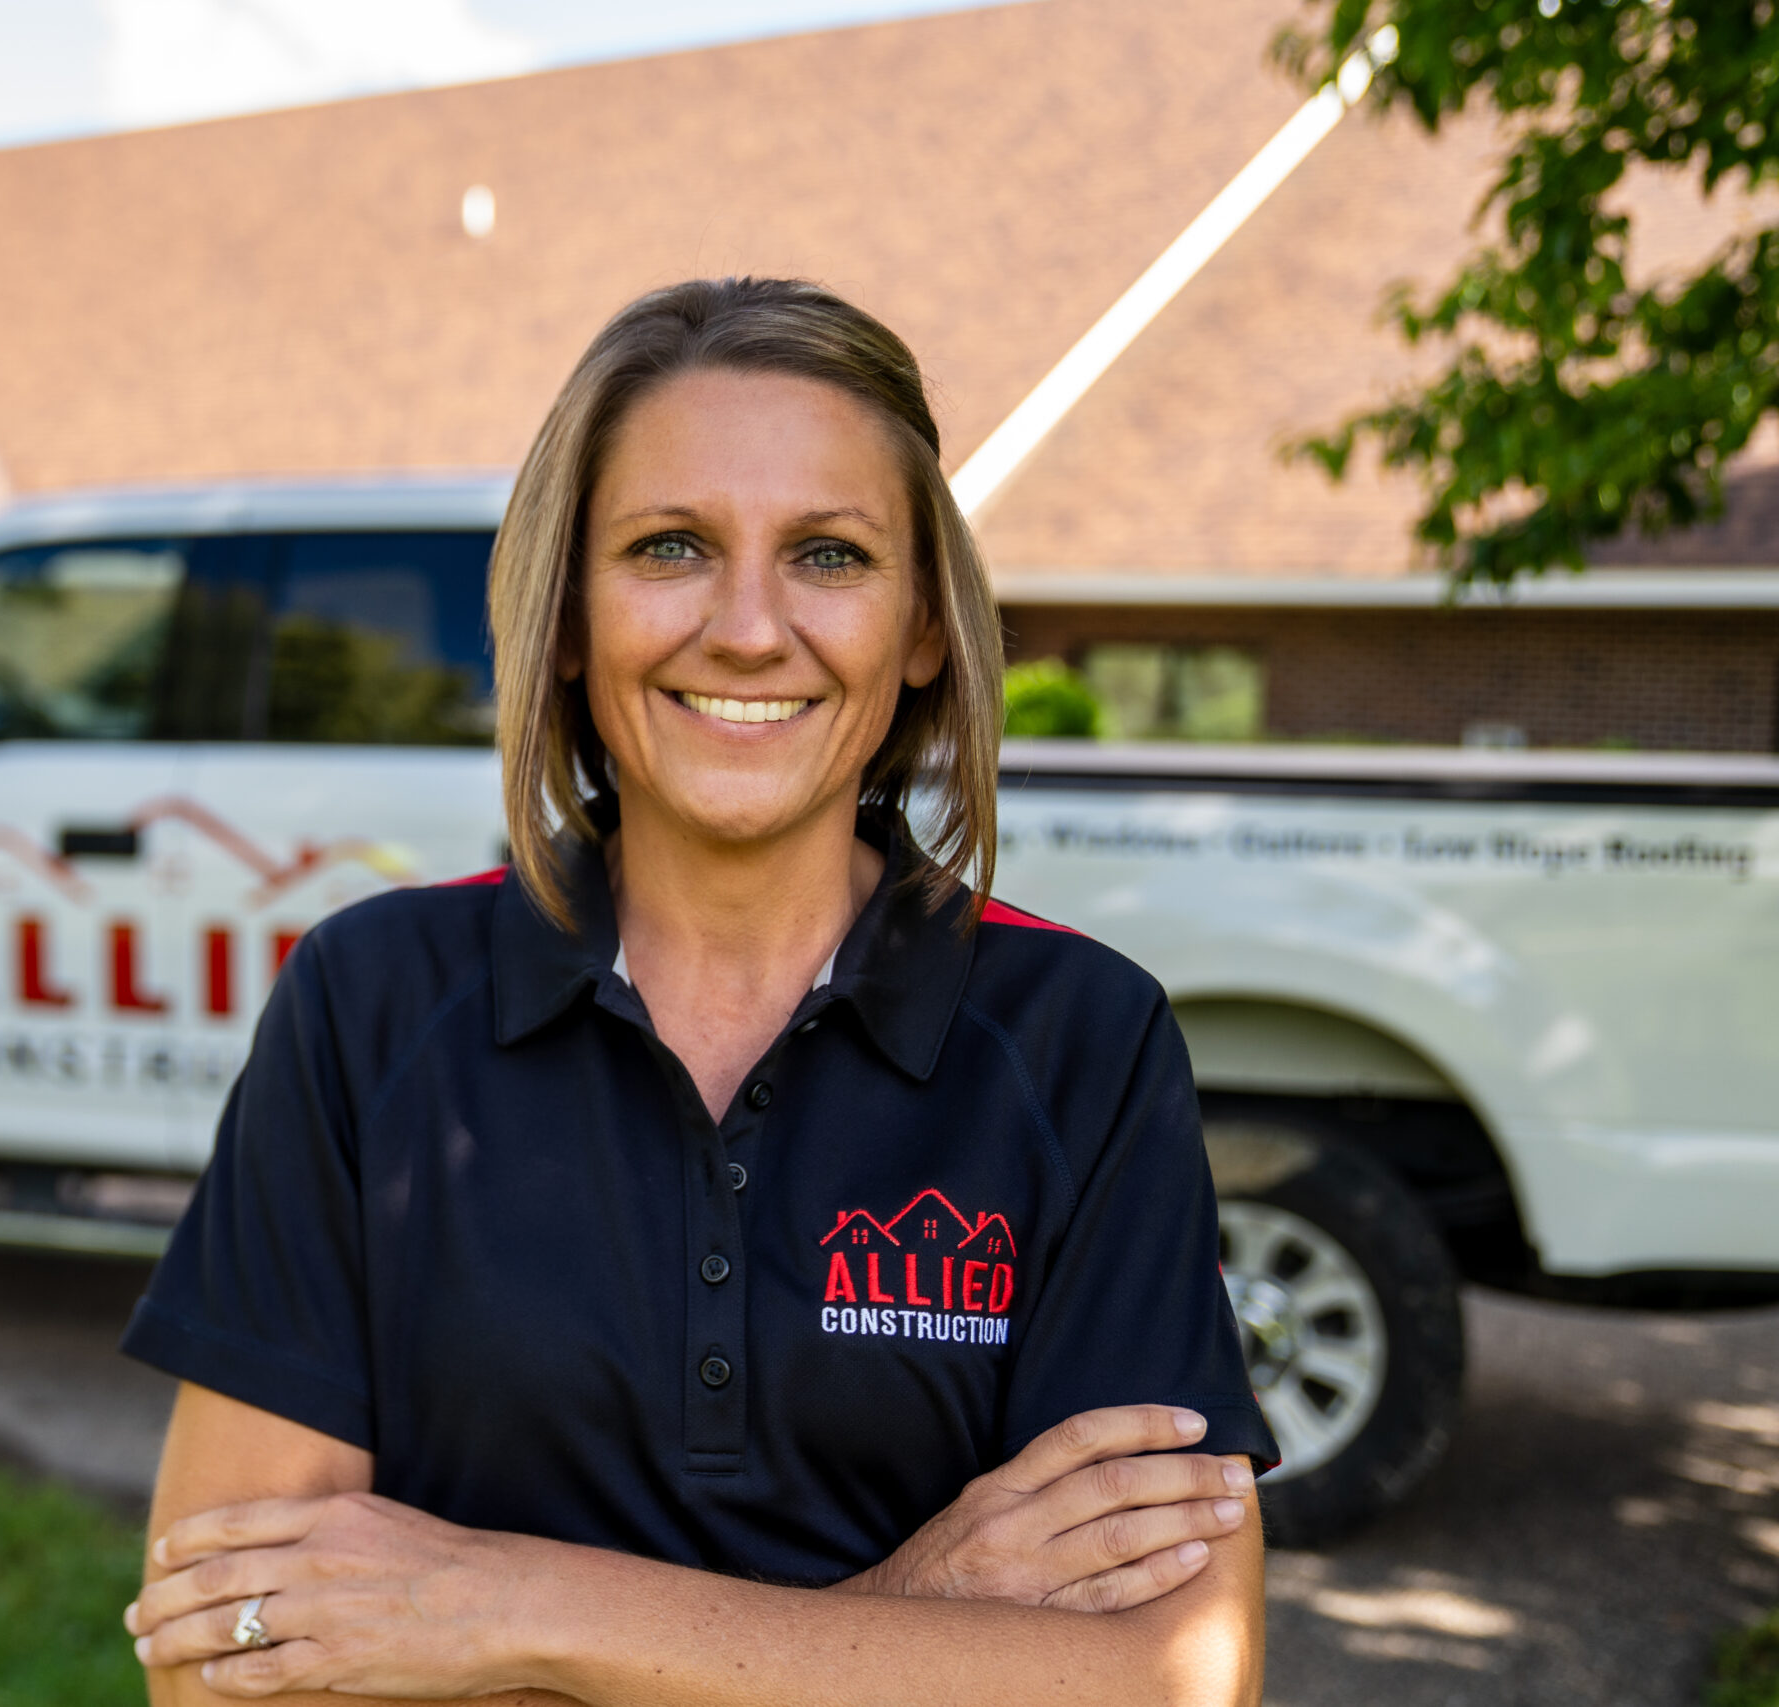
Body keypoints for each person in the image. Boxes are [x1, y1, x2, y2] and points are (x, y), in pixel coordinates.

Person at [119, 277, 1277, 1706]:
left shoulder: (1082, 1042)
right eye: (669, 546)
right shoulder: (369, 1006)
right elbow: (221, 1682)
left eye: (831, 556)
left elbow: (1174, 1680)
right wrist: (920, 1615)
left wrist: (510, 1606)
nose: (746, 629)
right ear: (563, 615)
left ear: (923, 626)